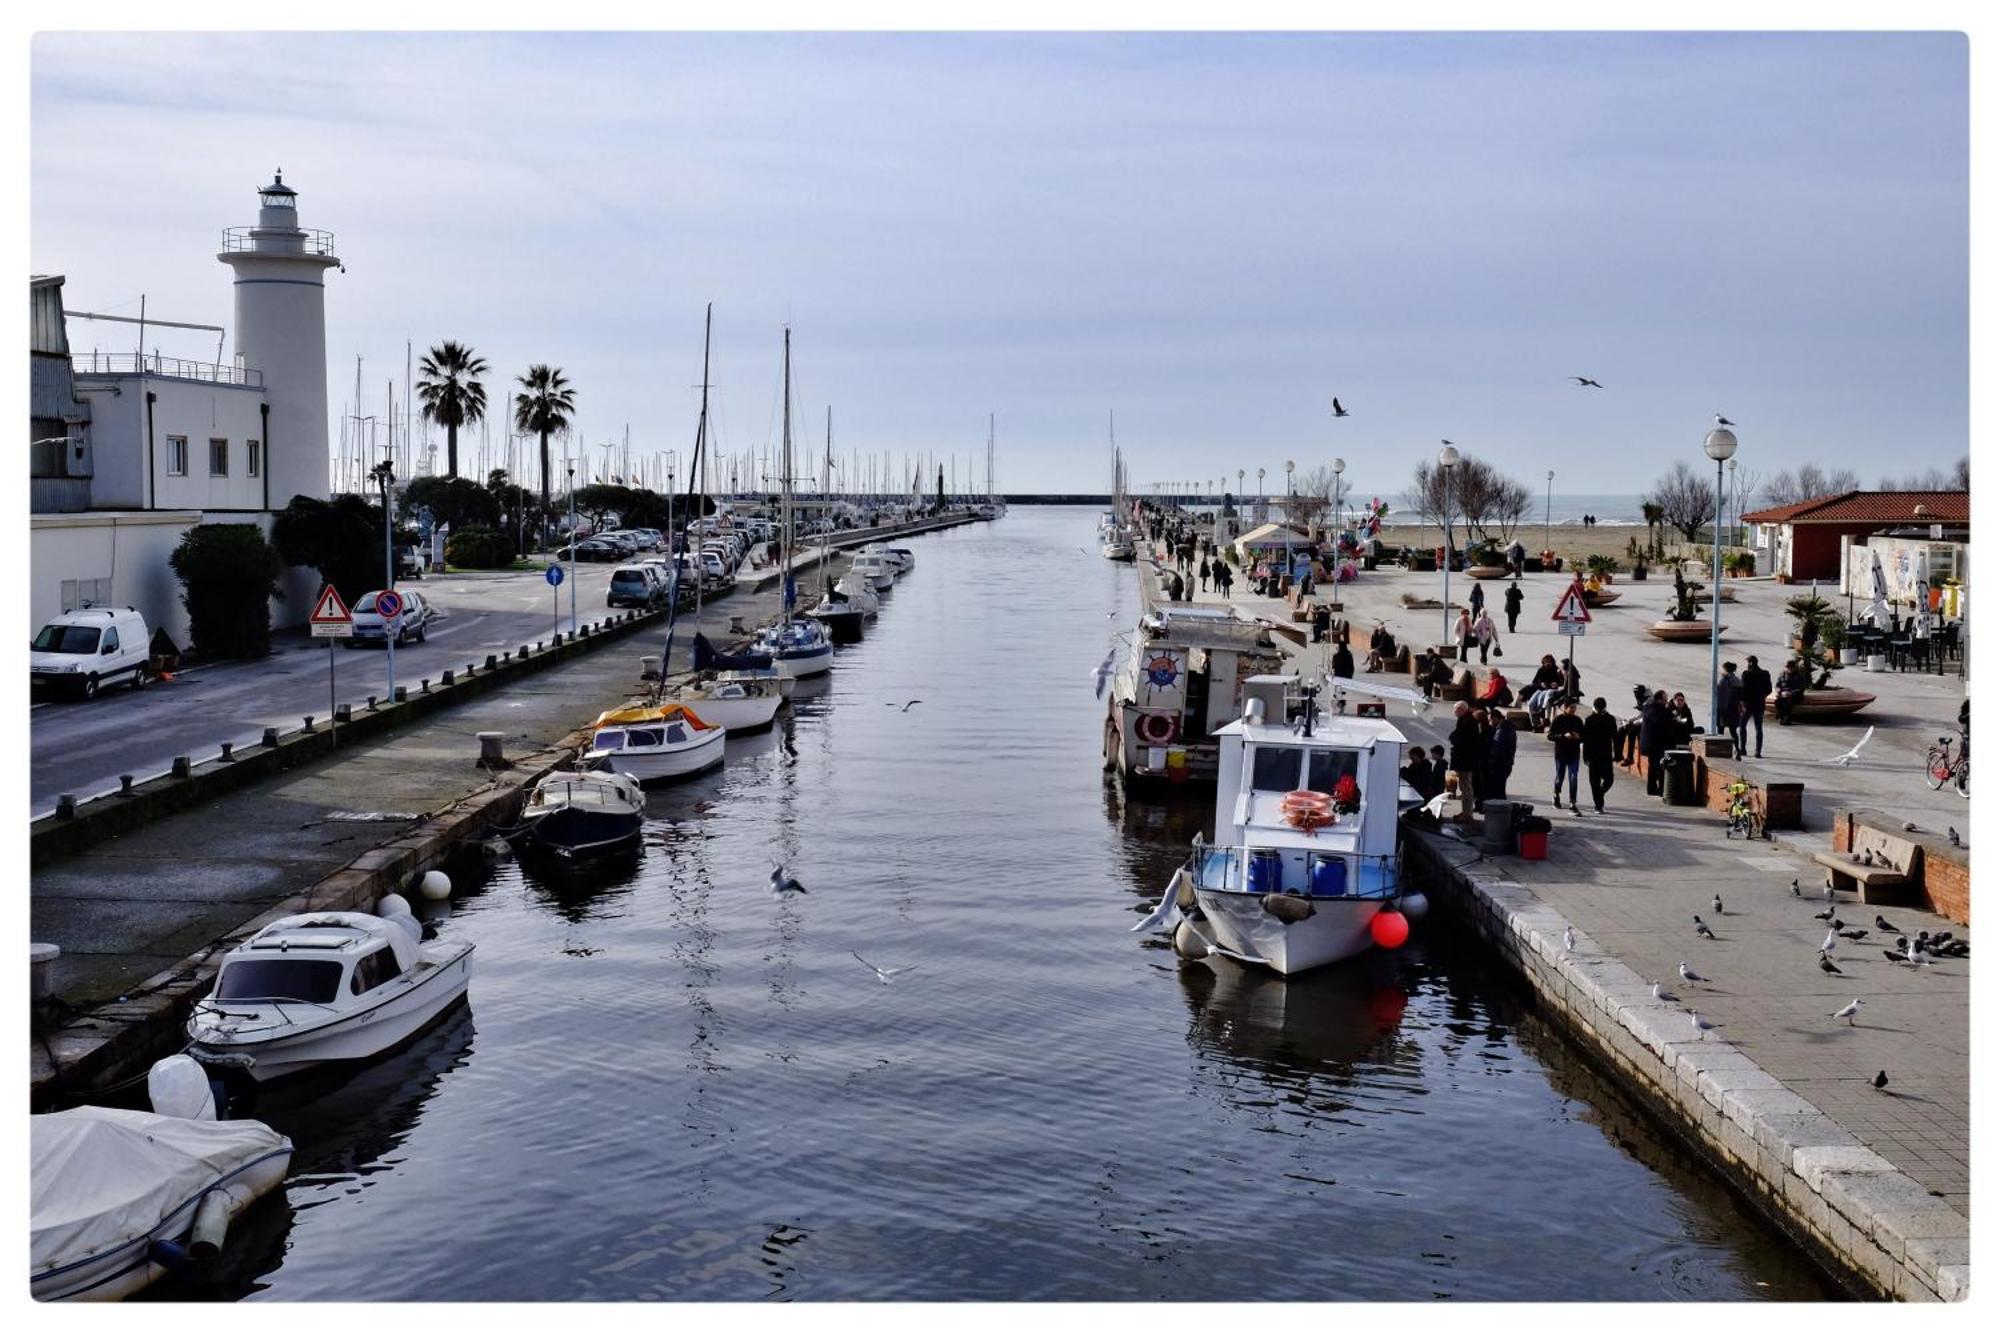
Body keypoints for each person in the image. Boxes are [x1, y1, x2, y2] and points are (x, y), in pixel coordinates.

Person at [1448, 702, 1487, 820]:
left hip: (1465, 760)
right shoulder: (1467, 720)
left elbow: (1457, 738)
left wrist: (1453, 738)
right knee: (1464, 787)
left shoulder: (1467, 722)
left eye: (1456, 710)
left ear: (1462, 710)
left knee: (1466, 788)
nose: (1454, 712)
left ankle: (1467, 814)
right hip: (1465, 759)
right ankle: (1465, 811)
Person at [1583, 696, 1619, 812]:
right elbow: (1615, 737)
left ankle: (1599, 796)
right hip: (1602, 755)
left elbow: (1585, 740)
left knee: (1600, 782)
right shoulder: (1608, 719)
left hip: (1597, 755)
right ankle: (1598, 805)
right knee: (1602, 781)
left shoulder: (1591, 719)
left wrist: (1585, 756)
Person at [1548, 699, 1585, 811]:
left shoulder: (1578, 720)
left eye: (1575, 708)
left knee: (1573, 777)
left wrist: (1579, 737)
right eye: (1571, 707)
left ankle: (1572, 802)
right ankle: (1556, 795)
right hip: (1561, 753)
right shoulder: (1558, 720)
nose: (1573, 710)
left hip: (1574, 753)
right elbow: (1550, 736)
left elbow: (1584, 736)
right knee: (1560, 777)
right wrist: (1563, 736)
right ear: (1565, 707)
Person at [1639, 689, 1672, 796]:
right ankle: (1660, 789)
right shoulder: (1655, 710)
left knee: (1653, 767)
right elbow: (1660, 723)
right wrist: (1670, 716)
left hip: (1651, 743)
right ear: (1659, 700)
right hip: (1654, 743)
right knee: (1659, 766)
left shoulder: (1650, 708)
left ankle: (1652, 789)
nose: (1666, 702)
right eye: (1665, 700)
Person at [1741, 654, 1772, 757]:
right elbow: (1769, 689)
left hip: (1748, 704)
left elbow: (1743, 690)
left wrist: (1742, 702)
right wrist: (1762, 696)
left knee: (1742, 725)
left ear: (1749, 663)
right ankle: (1757, 751)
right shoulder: (1765, 673)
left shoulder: (1746, 674)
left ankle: (1743, 749)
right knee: (1758, 728)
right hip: (1759, 703)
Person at [1716, 661, 1746, 759]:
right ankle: (1737, 750)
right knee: (1733, 731)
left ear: (1725, 669)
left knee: (1720, 731)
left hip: (1724, 709)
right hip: (1734, 709)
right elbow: (1741, 697)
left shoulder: (1723, 680)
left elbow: (1719, 695)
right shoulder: (1737, 680)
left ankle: (1719, 751)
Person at [1525, 655, 1564, 729]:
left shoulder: (1557, 670)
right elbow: (1534, 682)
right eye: (1546, 662)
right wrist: (1541, 684)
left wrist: (1556, 683)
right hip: (1541, 689)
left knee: (1542, 701)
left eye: (1549, 662)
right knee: (1531, 703)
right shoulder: (1541, 670)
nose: (1547, 664)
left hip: (1551, 690)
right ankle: (1535, 724)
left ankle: (1543, 718)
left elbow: (1562, 682)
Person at [1487, 709, 1518, 802]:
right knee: (1500, 788)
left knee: (1498, 790)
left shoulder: (1501, 731)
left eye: (1490, 720)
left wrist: (1491, 762)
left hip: (1500, 764)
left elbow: (1497, 749)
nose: (1490, 722)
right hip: (1507, 763)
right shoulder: (1508, 728)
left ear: (1495, 718)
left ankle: (1498, 811)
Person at [1774, 658, 1808, 725]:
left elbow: (1801, 688)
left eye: (1791, 667)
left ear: (1794, 668)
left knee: (1788, 703)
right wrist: (1778, 691)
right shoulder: (1782, 674)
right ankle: (1782, 717)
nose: (1789, 669)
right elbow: (1777, 685)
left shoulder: (1799, 675)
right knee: (1778, 702)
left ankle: (1786, 718)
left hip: (1795, 695)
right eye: (1788, 667)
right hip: (1783, 694)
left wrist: (1791, 693)